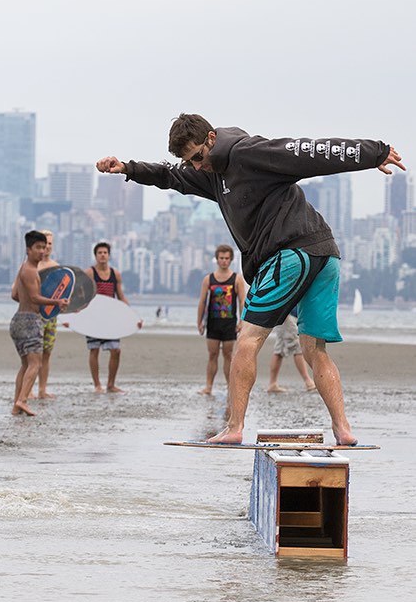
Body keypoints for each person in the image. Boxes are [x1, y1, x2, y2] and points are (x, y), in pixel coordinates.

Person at [97, 113, 405, 444]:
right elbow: (171, 176)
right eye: (190, 161)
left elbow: (311, 152)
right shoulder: (212, 172)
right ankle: (343, 430)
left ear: (211, 139)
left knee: (248, 339)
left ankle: (234, 427)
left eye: (198, 156)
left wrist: (373, 152)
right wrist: (128, 168)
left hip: (290, 252)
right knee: (314, 348)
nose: (197, 166)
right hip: (323, 253)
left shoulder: (250, 152)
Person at [10, 230, 68, 416]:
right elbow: (35, 297)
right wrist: (56, 302)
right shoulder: (29, 270)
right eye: (38, 248)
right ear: (28, 249)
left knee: (25, 365)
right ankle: (22, 400)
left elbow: (15, 295)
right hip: (29, 321)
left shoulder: (24, 269)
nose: (42, 251)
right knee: (35, 364)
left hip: (18, 320)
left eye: (44, 247)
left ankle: (15, 406)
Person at [84, 242, 140, 393]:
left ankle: (110, 384)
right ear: (95, 256)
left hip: (110, 319)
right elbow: (82, 295)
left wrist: (133, 317)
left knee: (116, 350)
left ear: (109, 255)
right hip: (93, 318)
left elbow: (121, 296)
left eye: (105, 252)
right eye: (99, 252)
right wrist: (74, 316)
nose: (102, 255)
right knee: (94, 349)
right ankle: (97, 385)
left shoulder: (115, 274)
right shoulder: (89, 272)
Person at [197, 244, 246, 396]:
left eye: (226, 258)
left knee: (228, 355)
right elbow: (202, 301)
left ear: (230, 260)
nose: (224, 261)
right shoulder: (209, 279)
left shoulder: (236, 279)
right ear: (217, 259)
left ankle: (229, 386)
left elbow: (242, 302)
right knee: (212, 355)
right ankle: (208, 386)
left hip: (229, 324)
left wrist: (241, 322)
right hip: (213, 323)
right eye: (221, 258)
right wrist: (199, 322)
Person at [267, 312, 316, 393]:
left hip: (287, 316)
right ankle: (308, 381)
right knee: (296, 347)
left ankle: (272, 383)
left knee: (280, 349)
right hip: (287, 316)